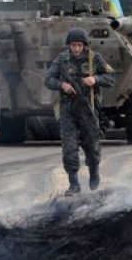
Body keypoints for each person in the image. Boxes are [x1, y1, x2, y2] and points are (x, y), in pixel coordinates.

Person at [44, 27, 115, 195]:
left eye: (79, 45)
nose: (76, 48)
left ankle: (94, 171)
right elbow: (48, 79)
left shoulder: (94, 59)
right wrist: (62, 85)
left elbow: (111, 78)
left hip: (88, 110)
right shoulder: (61, 60)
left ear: (84, 45)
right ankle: (74, 183)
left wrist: (95, 79)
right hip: (68, 110)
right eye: (73, 45)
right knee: (69, 147)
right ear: (69, 45)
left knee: (92, 146)